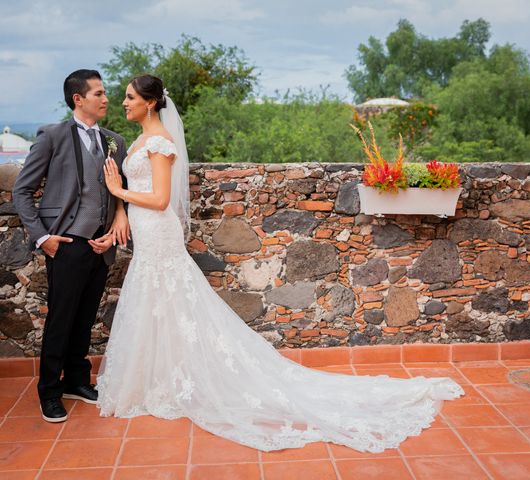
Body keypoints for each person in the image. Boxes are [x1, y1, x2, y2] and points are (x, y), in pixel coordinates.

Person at [98, 73, 463, 452]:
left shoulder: (160, 142)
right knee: (158, 304)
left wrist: (116, 190)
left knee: (172, 301)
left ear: (151, 102)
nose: (123, 103)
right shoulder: (138, 140)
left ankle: (182, 380)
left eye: (129, 97)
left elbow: (159, 199)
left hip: (158, 230)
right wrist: (120, 208)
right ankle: (161, 379)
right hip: (144, 231)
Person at [13, 69, 128, 423]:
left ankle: (77, 381)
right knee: (61, 319)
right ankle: (49, 390)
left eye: (104, 92)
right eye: (98, 93)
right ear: (78, 99)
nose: (105, 98)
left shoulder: (115, 141)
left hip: (101, 243)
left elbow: (117, 191)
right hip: (65, 242)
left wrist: (114, 226)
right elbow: (22, 191)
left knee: (85, 317)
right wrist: (43, 238)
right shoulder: (53, 135)